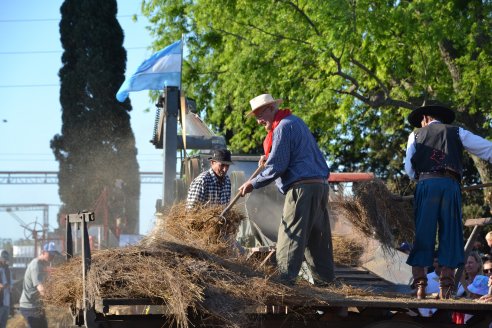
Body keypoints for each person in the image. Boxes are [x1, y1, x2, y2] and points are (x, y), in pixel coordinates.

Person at [238, 93, 334, 286]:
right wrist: (271, 156)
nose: (258, 121)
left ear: (272, 108)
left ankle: (284, 284)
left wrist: (253, 183)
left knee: (290, 237)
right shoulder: (295, 122)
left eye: (259, 115)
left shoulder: (282, 127)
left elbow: (277, 167)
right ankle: (326, 285)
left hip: (302, 189)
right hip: (320, 187)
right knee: (317, 240)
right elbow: (292, 155)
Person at [404, 104, 492, 299]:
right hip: (450, 184)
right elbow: (488, 149)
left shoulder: (415, 135)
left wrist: (424, 178)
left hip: (426, 185)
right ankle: (446, 287)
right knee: (450, 233)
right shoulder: (457, 132)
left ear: (425, 117)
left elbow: (410, 170)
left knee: (423, 234)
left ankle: (420, 286)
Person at [19, 242, 57, 328]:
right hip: (30, 306)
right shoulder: (35, 265)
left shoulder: (43, 264)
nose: (52, 256)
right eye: (50, 254)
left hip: (38, 306)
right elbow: (41, 288)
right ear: (43, 252)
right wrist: (54, 299)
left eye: (53, 254)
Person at [0, 250, 11, 328]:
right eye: (3, 258)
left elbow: (10, 284)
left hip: (6, 302)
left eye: (6, 258)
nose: (5, 260)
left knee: (3, 323)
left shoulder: (7, 269)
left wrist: (9, 286)